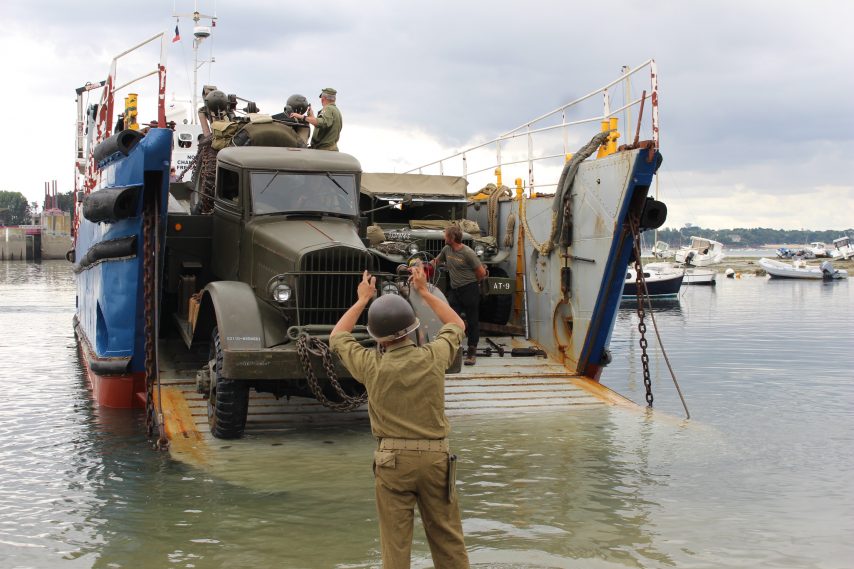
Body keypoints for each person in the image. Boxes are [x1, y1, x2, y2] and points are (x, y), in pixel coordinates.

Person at [330, 266, 470, 569]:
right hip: (435, 460)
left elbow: (338, 335)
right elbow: (457, 323)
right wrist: (423, 291)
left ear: (377, 337)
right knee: (449, 542)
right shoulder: (433, 357)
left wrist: (362, 300)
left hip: (391, 462)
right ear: (412, 329)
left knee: (395, 547)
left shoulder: (370, 365)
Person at [431, 225, 487, 366]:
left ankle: (471, 352)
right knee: (451, 320)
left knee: (472, 321)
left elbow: (481, 272)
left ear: (452, 238)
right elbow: (436, 262)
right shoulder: (446, 250)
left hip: (469, 290)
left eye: (446, 235)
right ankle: (452, 350)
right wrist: (420, 265)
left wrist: (473, 284)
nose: (444, 237)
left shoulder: (468, 253)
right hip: (454, 291)